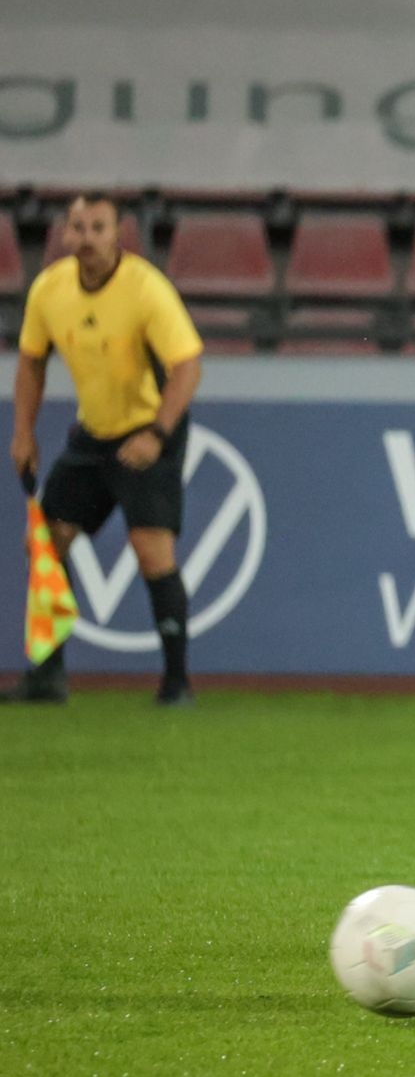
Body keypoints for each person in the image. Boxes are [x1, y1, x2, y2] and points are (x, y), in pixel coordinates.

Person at [7, 193, 205, 706]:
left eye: (98, 227)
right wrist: (23, 432)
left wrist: (157, 434)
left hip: (147, 428)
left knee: (151, 550)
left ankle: (177, 682)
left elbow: (187, 367)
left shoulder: (145, 289)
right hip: (94, 434)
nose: (87, 238)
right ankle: (48, 675)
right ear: (65, 233)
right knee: (46, 542)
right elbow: (31, 361)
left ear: (118, 234)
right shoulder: (50, 289)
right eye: (78, 227)